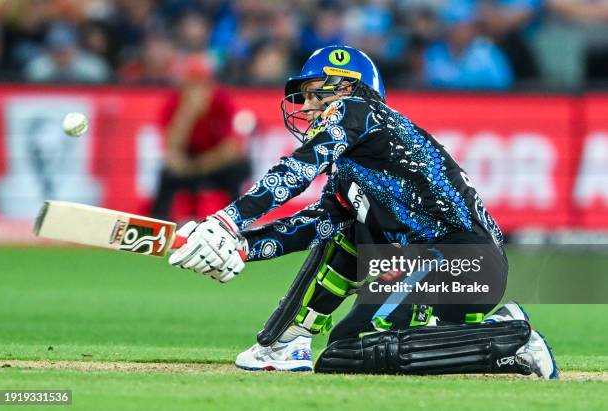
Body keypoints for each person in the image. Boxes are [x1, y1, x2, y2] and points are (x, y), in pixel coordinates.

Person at [168, 45, 558, 379]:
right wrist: (238, 246)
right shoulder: (355, 165)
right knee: (344, 342)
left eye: (313, 92)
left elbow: (297, 169)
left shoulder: (358, 110)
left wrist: (227, 220)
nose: (304, 105)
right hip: (434, 265)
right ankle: (287, 343)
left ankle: (512, 337)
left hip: (465, 263)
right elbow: (316, 226)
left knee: (351, 351)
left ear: (348, 87)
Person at [150, 54, 250, 220]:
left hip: (214, 163)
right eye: (192, 83)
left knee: (238, 169)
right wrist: (188, 114)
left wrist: (200, 166)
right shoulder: (173, 102)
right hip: (187, 162)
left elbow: (232, 148)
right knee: (166, 175)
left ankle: (238, 221)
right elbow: (171, 148)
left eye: (201, 83)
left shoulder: (222, 100)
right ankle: (158, 224)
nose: (197, 89)